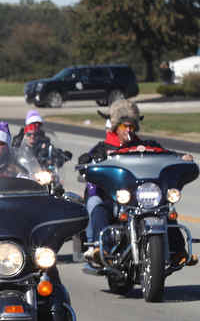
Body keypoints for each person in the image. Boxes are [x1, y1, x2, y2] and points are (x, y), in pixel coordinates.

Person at [79, 99, 194, 264]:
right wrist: (87, 159)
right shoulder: (102, 148)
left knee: (165, 211)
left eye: (131, 126)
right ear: (115, 127)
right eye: (124, 126)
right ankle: (100, 247)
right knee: (99, 208)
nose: (128, 130)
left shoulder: (146, 145)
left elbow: (165, 153)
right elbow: (86, 161)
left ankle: (178, 251)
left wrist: (181, 157)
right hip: (114, 197)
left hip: (140, 195)